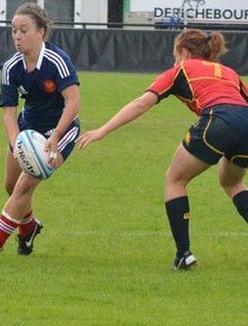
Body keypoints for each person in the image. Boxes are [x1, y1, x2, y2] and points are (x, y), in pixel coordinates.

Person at [77, 29, 248, 270]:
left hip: (217, 119)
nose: (174, 60)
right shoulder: (228, 72)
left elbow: (142, 102)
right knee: (232, 183)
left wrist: (102, 130)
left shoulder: (182, 68)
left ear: (185, 53)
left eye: (175, 55)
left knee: (175, 179)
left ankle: (183, 254)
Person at [0, 2, 81, 261]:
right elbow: (9, 113)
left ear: (41, 32)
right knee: (11, 186)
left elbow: (74, 101)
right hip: (28, 128)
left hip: (61, 130)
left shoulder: (57, 61)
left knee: (25, 184)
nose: (17, 36)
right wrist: (16, 143)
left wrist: (55, 137)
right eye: (13, 31)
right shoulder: (12, 67)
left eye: (23, 30)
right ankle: (29, 227)